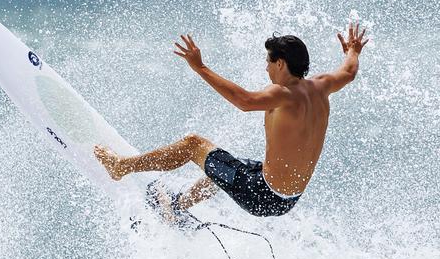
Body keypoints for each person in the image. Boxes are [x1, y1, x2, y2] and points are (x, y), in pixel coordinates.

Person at [94, 22, 368, 221]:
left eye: (269, 62)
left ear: (281, 64)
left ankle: (121, 167)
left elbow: (245, 101)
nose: (266, 67)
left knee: (193, 145)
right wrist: (352, 50)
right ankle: (178, 207)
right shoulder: (322, 86)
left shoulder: (283, 94)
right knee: (225, 165)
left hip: (263, 196)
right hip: (289, 198)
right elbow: (349, 71)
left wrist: (200, 67)